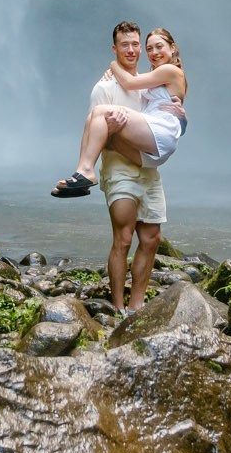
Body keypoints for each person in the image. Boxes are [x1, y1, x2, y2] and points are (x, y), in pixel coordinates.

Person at [51, 25, 188, 312]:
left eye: (137, 44)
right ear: (114, 48)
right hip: (120, 170)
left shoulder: (149, 82)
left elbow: (168, 114)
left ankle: (135, 306)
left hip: (148, 169)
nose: (133, 50)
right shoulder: (105, 87)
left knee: (151, 239)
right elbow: (96, 130)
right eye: (124, 45)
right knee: (123, 239)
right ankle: (116, 308)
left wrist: (181, 116)